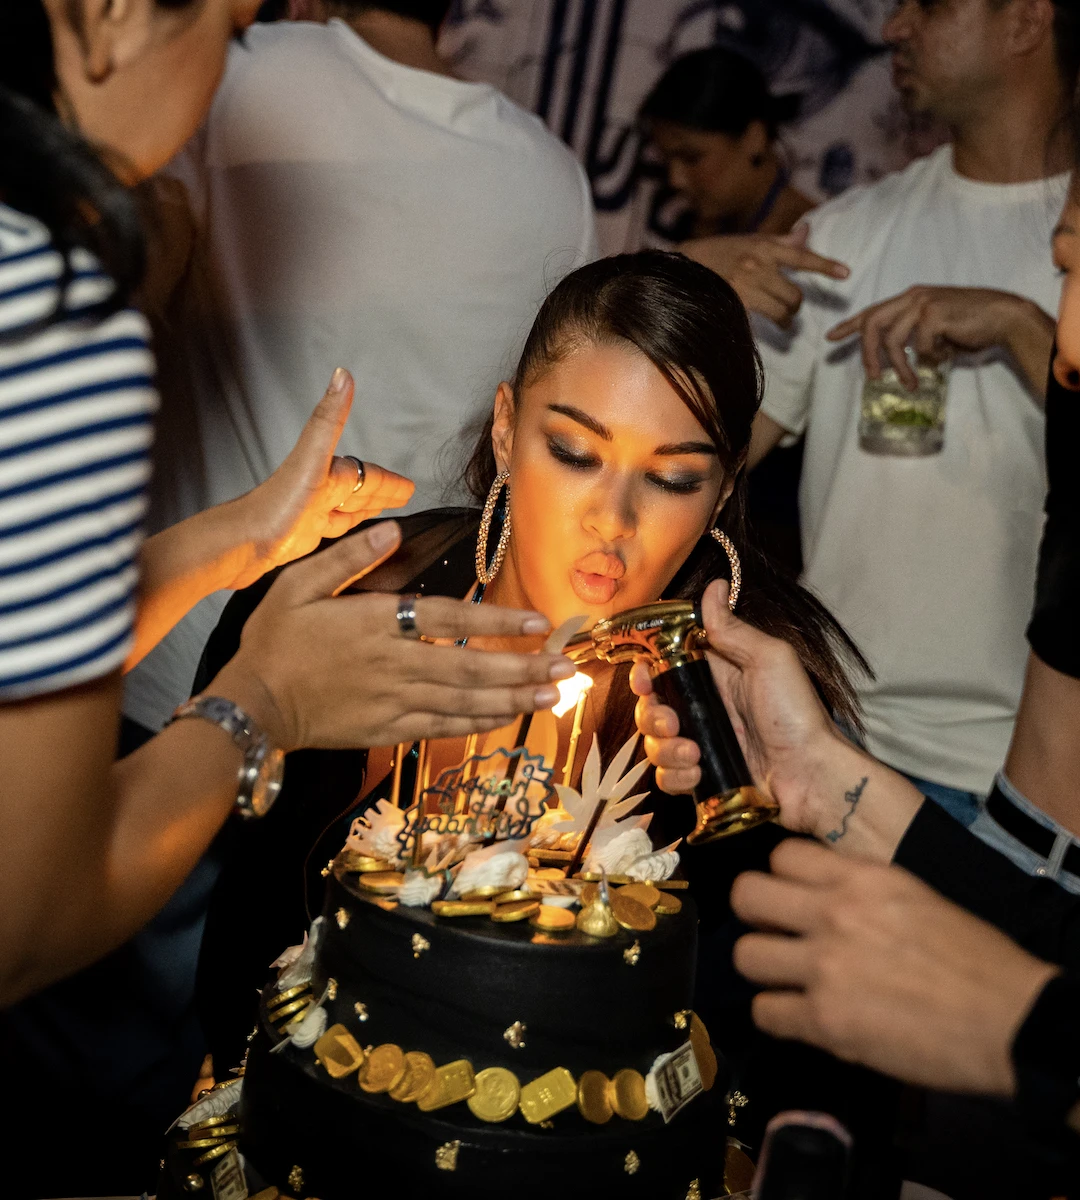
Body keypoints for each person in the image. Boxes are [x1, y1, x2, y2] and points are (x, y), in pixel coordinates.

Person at [0, 2, 575, 1193]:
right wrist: (264, 697)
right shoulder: (55, 317)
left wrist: (232, 540)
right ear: (109, 20)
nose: (224, 75)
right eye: (224, 21)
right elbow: (26, 918)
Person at [635, 5, 1080, 1190]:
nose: (1068, 361)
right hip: (939, 801)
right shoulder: (850, 234)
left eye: (1066, 273)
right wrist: (825, 771)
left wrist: (1027, 1030)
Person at [186, 251, 887, 1160]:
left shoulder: (738, 713)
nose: (615, 518)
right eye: (575, 452)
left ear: (724, 483)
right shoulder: (348, 608)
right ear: (509, 427)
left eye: (674, 477)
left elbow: (791, 1056)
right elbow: (234, 929)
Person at [123, 0, 598, 738]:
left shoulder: (241, 72)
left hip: (173, 641)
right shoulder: (554, 175)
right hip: (393, 673)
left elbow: (129, 289)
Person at [746, 0, 1080, 827]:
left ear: (1025, 21)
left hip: (1030, 784)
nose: (894, 27)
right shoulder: (846, 233)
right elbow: (715, 453)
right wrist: (682, 294)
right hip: (832, 740)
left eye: (929, 5)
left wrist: (1021, 330)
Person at [639, 46, 816, 243]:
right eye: (666, 160)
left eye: (692, 157)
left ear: (753, 138)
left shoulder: (810, 241)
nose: (675, 180)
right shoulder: (711, 225)